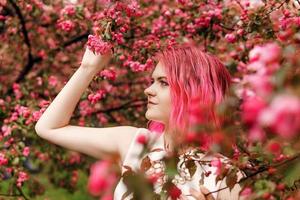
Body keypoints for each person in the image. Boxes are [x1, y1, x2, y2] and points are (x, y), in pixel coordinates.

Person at [35, 43, 244, 200]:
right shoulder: (135, 143)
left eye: (163, 83)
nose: (148, 90)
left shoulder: (226, 175)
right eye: (152, 81)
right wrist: (88, 68)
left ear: (194, 94)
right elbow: (48, 128)